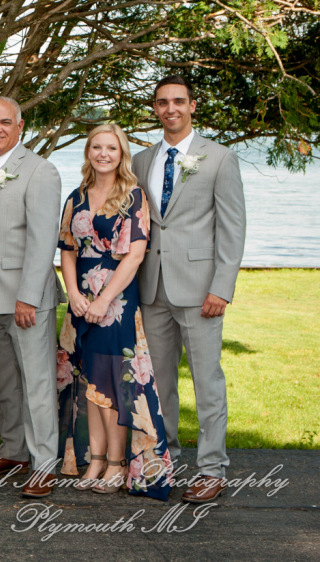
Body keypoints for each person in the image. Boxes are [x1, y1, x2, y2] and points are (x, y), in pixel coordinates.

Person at [132, 75, 246, 504]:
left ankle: (212, 469)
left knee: (206, 381)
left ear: (193, 105)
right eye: (162, 102)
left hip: (202, 291)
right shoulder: (142, 160)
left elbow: (232, 229)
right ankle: (165, 461)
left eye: (178, 101)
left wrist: (222, 287)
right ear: (156, 108)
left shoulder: (218, 159)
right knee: (159, 384)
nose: (170, 109)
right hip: (152, 287)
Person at [57, 124, 173, 500]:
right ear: (88, 152)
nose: (103, 153)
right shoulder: (75, 197)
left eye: (111, 148)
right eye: (96, 147)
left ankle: (118, 463)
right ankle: (94, 458)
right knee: (90, 381)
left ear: (121, 153)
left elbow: (136, 254)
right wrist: (73, 293)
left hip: (117, 302)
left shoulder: (133, 196)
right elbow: (68, 250)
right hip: (81, 302)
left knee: (116, 383)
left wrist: (105, 299)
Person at [0, 96, 64, 498]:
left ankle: (45, 464)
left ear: (20, 126)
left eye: (5, 122)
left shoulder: (41, 171)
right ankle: (14, 448)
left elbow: (44, 242)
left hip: (27, 298)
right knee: (5, 382)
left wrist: (28, 297)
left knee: (37, 382)